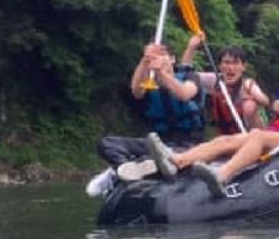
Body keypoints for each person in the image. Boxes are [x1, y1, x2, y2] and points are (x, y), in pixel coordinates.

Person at [146, 55, 279, 192]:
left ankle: (222, 175)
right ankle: (178, 161)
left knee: (257, 135)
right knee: (228, 139)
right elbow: (278, 105)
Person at [87, 42, 205, 195]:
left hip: (188, 145)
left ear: (172, 59)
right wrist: (145, 61)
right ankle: (127, 169)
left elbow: (184, 94)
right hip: (157, 144)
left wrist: (161, 73)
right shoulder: (149, 83)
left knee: (168, 155)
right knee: (106, 143)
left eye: (162, 54)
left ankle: (143, 164)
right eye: (154, 55)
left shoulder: (190, 77)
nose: (158, 58)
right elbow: (136, 91)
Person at [180, 35, 269, 133]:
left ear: (243, 67)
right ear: (220, 66)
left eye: (235, 63)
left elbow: (265, 100)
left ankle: (256, 141)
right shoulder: (213, 79)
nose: (230, 67)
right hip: (226, 135)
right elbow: (186, 73)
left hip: (251, 132)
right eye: (226, 63)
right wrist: (191, 47)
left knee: (249, 105)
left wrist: (255, 96)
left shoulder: (247, 84)